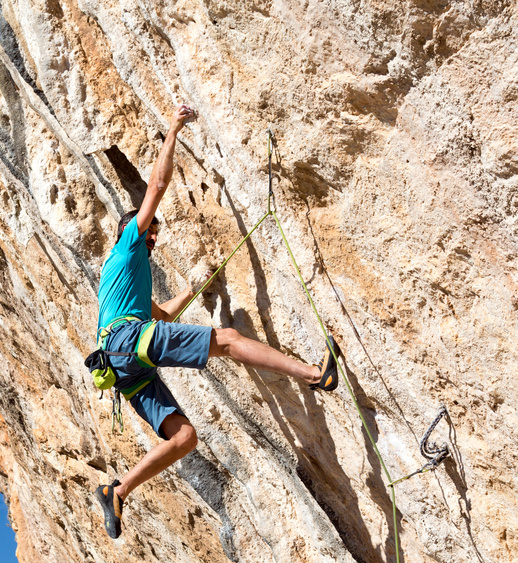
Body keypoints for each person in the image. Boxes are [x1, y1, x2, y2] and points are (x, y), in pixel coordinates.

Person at [94, 104, 341, 539]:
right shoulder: (127, 246)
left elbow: (162, 317)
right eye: (149, 234)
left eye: (154, 237)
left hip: (123, 364)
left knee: (184, 438)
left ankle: (118, 491)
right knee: (225, 340)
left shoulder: (121, 279)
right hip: (128, 343)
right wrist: (173, 129)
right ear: (130, 231)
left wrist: (197, 286)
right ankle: (313, 374)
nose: (153, 239)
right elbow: (157, 184)